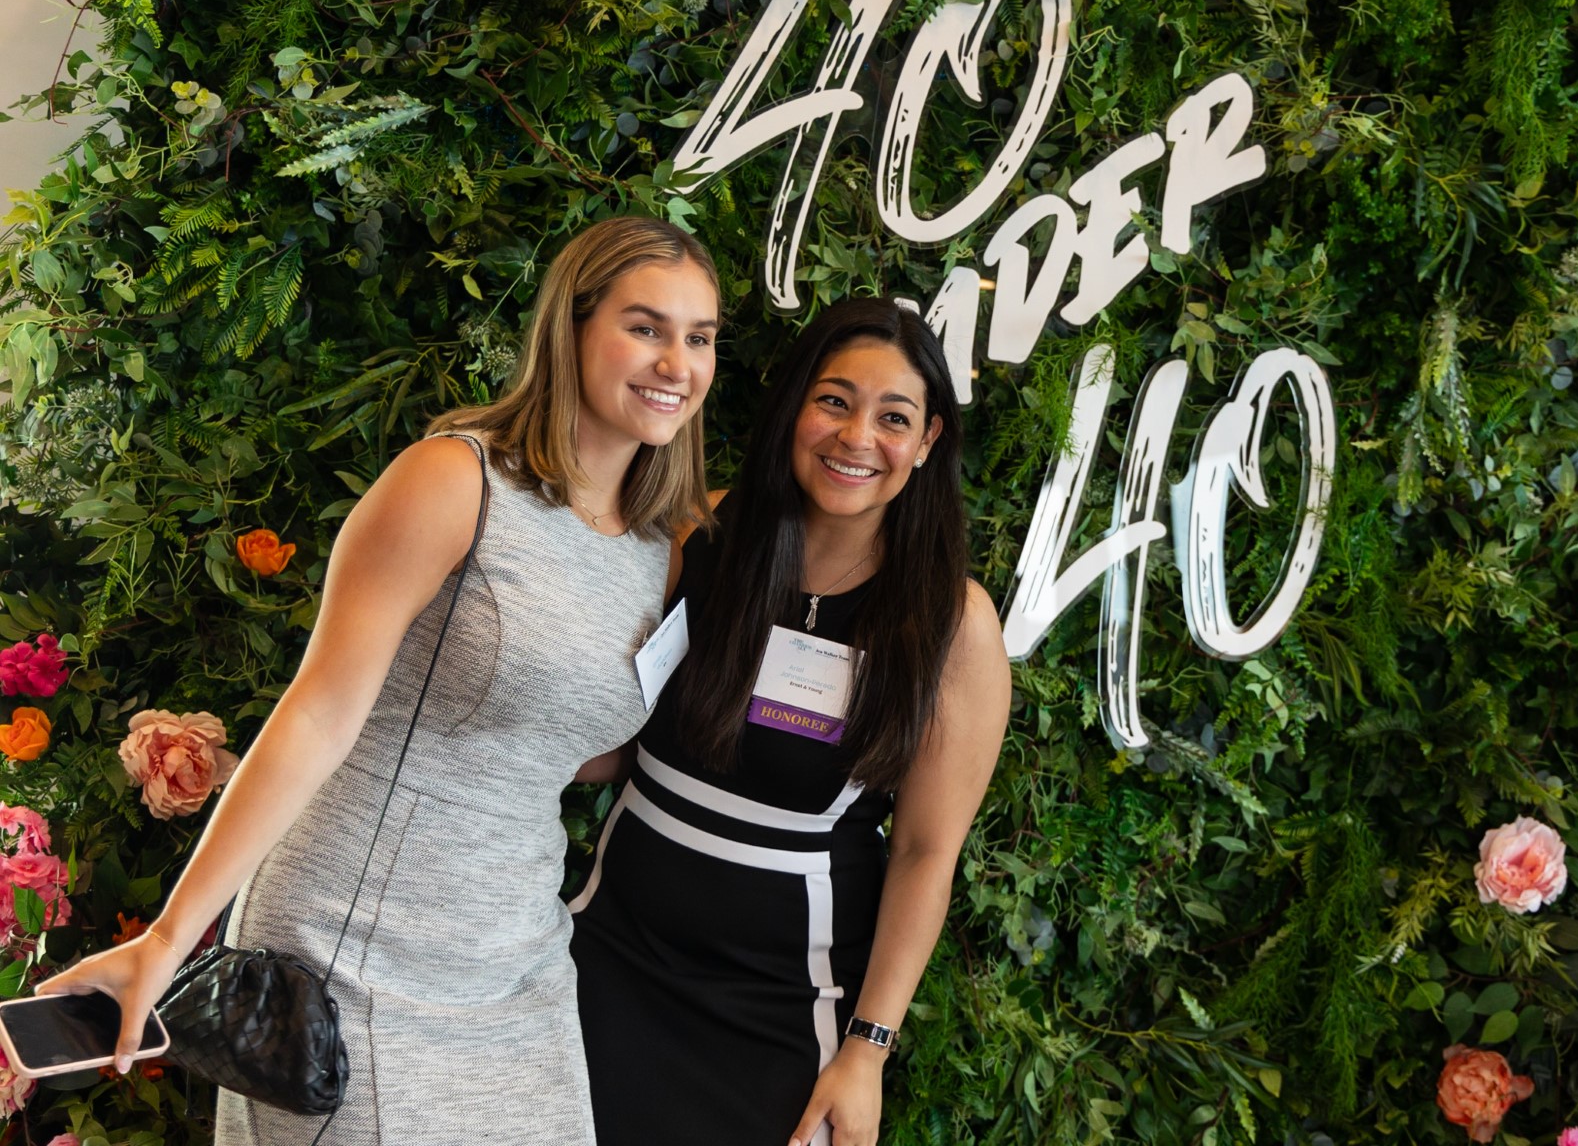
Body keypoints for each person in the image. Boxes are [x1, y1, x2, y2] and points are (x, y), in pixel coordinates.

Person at [39, 216, 722, 1144]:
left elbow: (577, 746)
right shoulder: (456, 480)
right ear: (572, 325)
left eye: (699, 337)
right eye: (646, 327)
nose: (675, 362)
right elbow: (318, 711)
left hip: (515, 962)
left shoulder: (661, 546)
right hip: (353, 947)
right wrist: (172, 937)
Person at [570, 296, 1012, 1146]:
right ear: (793, 409)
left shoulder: (952, 623)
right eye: (834, 401)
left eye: (893, 417)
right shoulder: (697, 529)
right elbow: (608, 731)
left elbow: (925, 852)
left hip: (778, 1006)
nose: (856, 438)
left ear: (928, 444)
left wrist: (868, 1052)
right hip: (605, 951)